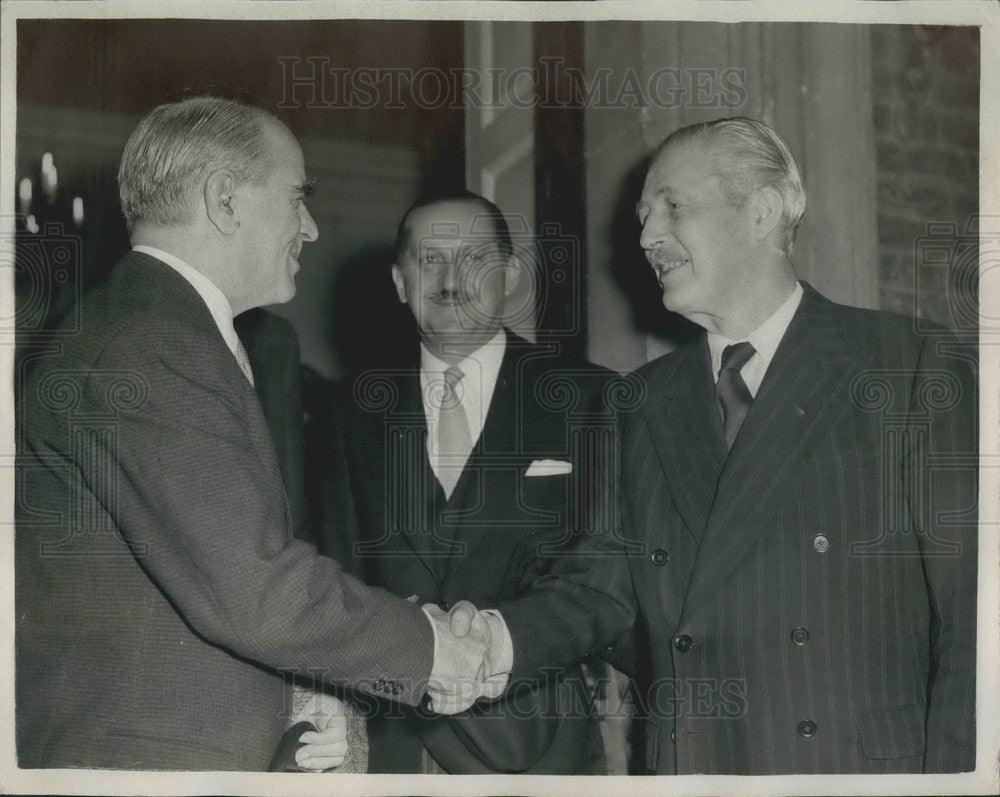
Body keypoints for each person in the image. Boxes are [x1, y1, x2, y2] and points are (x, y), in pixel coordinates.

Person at [446, 117, 978, 774]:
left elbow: (976, 615)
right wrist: (491, 641)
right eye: (643, 216)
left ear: (761, 211)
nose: (645, 237)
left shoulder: (907, 365)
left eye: (672, 206)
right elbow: (600, 590)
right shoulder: (635, 402)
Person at [14, 95, 489, 771]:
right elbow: (255, 590)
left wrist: (305, 686)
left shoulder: (161, 331)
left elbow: (187, 586)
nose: (312, 226)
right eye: (298, 197)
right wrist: (432, 647)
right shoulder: (152, 344)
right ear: (226, 202)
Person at [311, 192, 615, 773]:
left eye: (474, 259)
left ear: (510, 274)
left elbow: (605, 584)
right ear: (401, 283)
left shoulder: (588, 398)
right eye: (431, 261)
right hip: (390, 750)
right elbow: (337, 573)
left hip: (537, 751)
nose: (451, 280)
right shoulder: (351, 411)